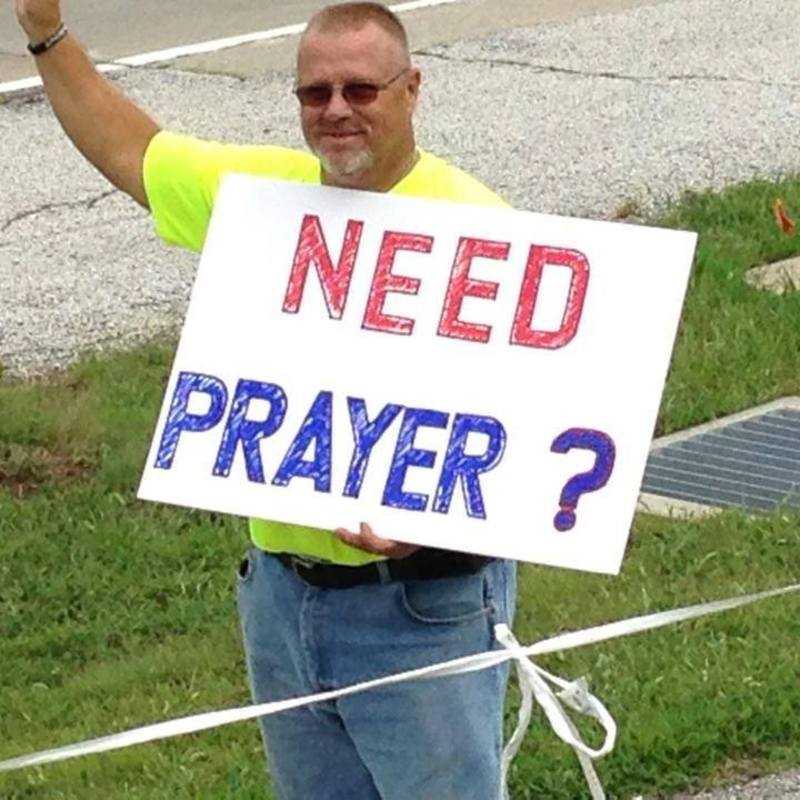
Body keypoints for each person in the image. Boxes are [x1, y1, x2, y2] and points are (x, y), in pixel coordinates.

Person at [13, 1, 518, 797]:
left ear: (412, 88)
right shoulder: (261, 199)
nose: (337, 110)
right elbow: (127, 147)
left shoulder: (479, 228)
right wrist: (45, 30)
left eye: (361, 89)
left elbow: (525, 442)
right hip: (282, 603)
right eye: (315, 94)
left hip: (420, 614)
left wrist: (436, 537)